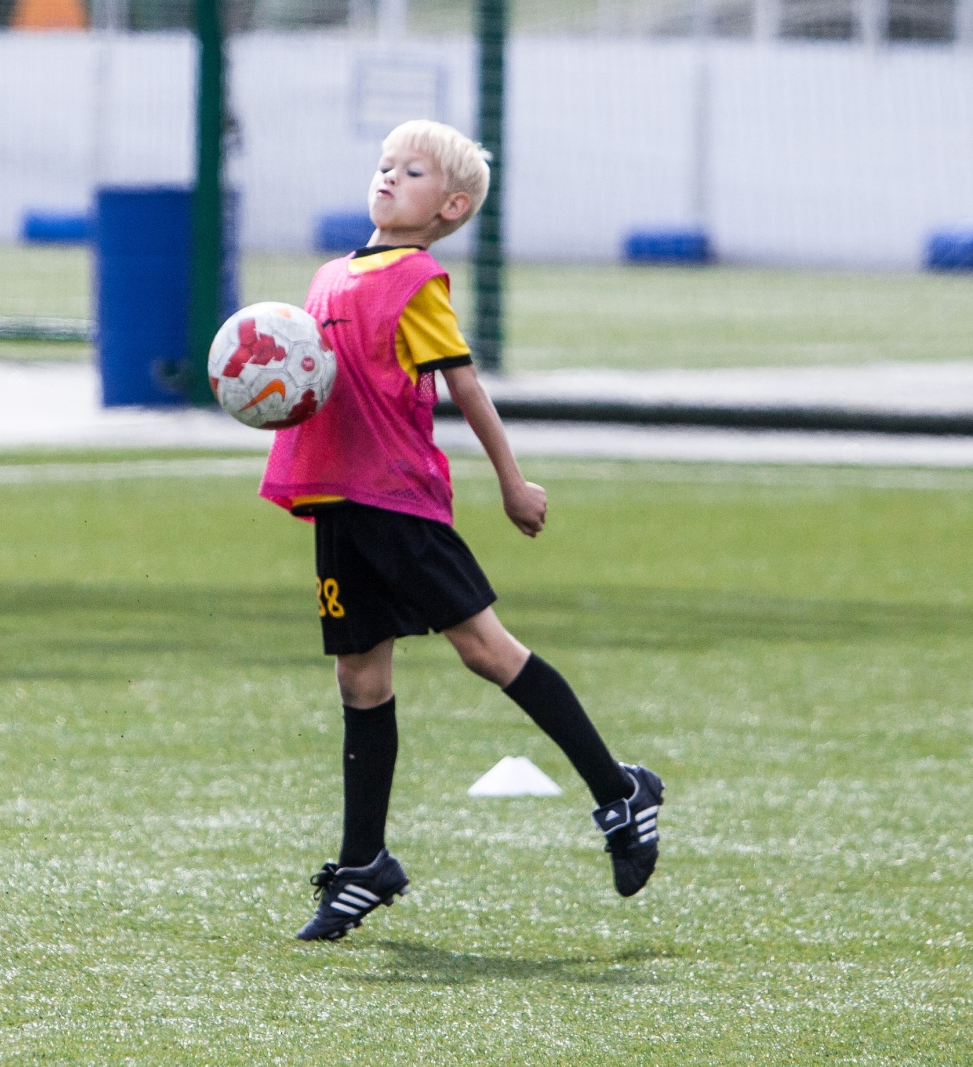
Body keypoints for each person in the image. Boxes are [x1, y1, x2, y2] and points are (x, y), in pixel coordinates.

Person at [261, 120, 664, 942]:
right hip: (338, 501)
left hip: (398, 503)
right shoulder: (329, 274)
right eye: (384, 164)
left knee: (485, 649)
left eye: (410, 172)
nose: (387, 177)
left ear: (448, 207)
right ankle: (364, 863)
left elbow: (465, 386)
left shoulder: (416, 281)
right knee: (359, 677)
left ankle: (620, 790)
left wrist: (512, 481)